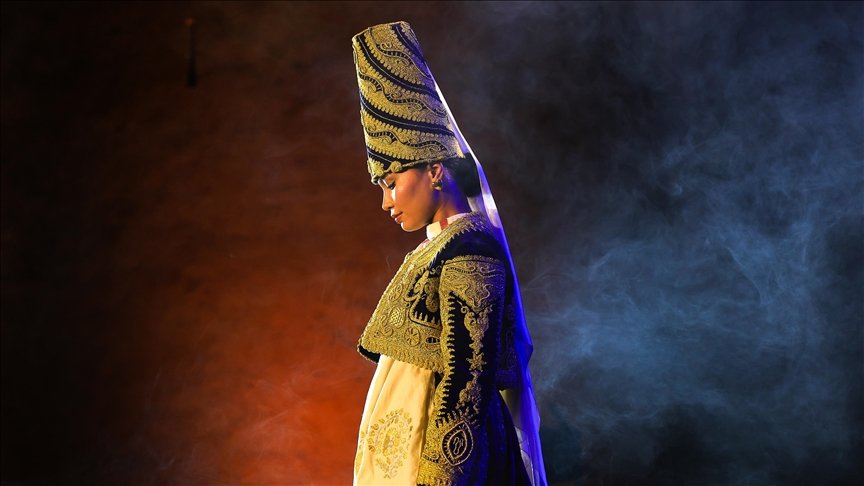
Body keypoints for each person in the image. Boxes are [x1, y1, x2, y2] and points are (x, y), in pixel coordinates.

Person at [350, 21, 547, 486]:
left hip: (448, 464)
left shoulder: (470, 252)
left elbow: (467, 383)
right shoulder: (438, 248)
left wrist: (442, 479)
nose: (386, 202)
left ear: (435, 171)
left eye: (391, 183)